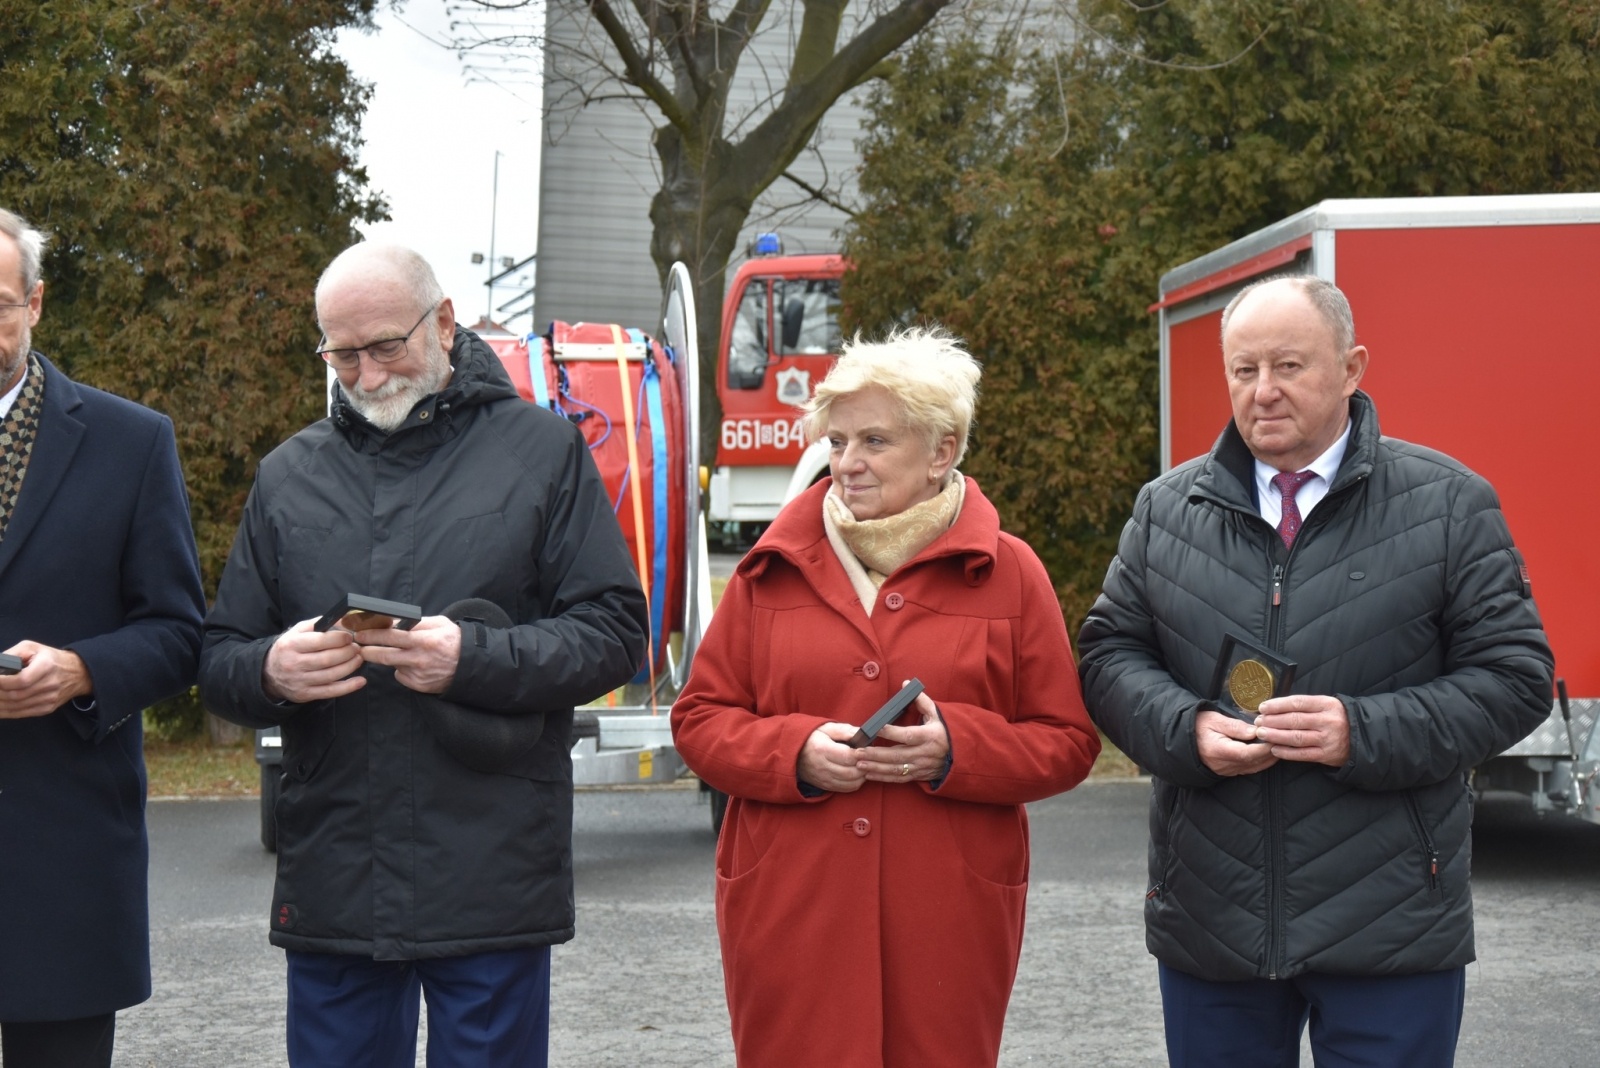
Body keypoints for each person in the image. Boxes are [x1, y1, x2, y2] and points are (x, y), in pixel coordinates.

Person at [1077, 275, 1554, 1067]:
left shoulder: (1448, 504)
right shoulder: (1167, 509)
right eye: (1243, 370)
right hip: (1212, 921)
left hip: (1391, 923)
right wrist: (1184, 728)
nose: (1262, 392)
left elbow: (1515, 678)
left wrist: (1359, 731)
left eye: (1289, 367)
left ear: (1352, 367)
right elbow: (1108, 655)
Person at [197, 242, 648, 1067]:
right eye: (341, 354)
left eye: (385, 347)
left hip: (490, 865)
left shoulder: (542, 453)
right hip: (336, 868)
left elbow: (615, 631)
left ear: (443, 322)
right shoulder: (288, 474)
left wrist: (471, 658)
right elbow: (219, 654)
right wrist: (270, 670)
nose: (365, 376)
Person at [671, 326, 1102, 1068]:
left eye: (874, 441)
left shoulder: (1012, 572)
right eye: (837, 441)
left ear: (942, 450)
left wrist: (955, 748)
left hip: (947, 915)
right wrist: (794, 752)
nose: (847, 464)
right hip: (792, 904)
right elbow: (700, 720)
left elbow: (1067, 740)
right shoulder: (767, 567)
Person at [0, 208, 205, 1065]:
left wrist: (83, 670)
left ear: (37, 303)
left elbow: (179, 629)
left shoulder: (131, 442)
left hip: (62, 862)